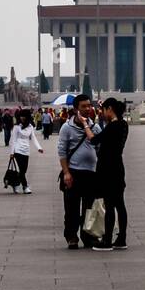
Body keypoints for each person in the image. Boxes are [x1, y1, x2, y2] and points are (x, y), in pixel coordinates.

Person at [58, 94, 101, 249]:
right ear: (76, 109)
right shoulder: (67, 128)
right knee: (71, 209)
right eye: (84, 106)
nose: (88, 109)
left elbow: (99, 148)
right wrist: (66, 173)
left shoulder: (94, 127)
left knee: (89, 208)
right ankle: (71, 236)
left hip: (91, 174)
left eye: (89, 105)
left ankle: (87, 236)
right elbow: (62, 152)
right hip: (74, 173)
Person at [90, 97, 129, 250]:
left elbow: (94, 140)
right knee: (120, 204)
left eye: (103, 110)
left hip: (108, 169)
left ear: (110, 109)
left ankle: (107, 240)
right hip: (118, 168)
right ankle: (122, 239)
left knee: (110, 205)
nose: (102, 113)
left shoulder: (112, 126)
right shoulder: (123, 124)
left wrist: (86, 124)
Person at [9, 109, 43, 194]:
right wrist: (11, 153)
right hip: (17, 150)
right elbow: (13, 140)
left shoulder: (30, 127)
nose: (22, 118)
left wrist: (39, 148)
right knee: (21, 169)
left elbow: (33, 138)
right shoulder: (17, 127)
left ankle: (15, 184)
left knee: (23, 170)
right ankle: (25, 186)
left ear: (27, 117)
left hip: (26, 150)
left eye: (24, 116)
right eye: (21, 116)